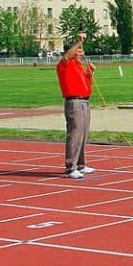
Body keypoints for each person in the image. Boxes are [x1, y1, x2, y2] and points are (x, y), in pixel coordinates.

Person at [56, 32, 96, 179]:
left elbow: (86, 85)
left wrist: (90, 73)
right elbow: (67, 56)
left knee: (83, 134)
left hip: (84, 101)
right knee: (75, 134)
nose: (81, 52)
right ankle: (70, 167)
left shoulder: (78, 66)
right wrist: (79, 41)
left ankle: (81, 164)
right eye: (79, 50)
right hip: (74, 102)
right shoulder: (64, 64)